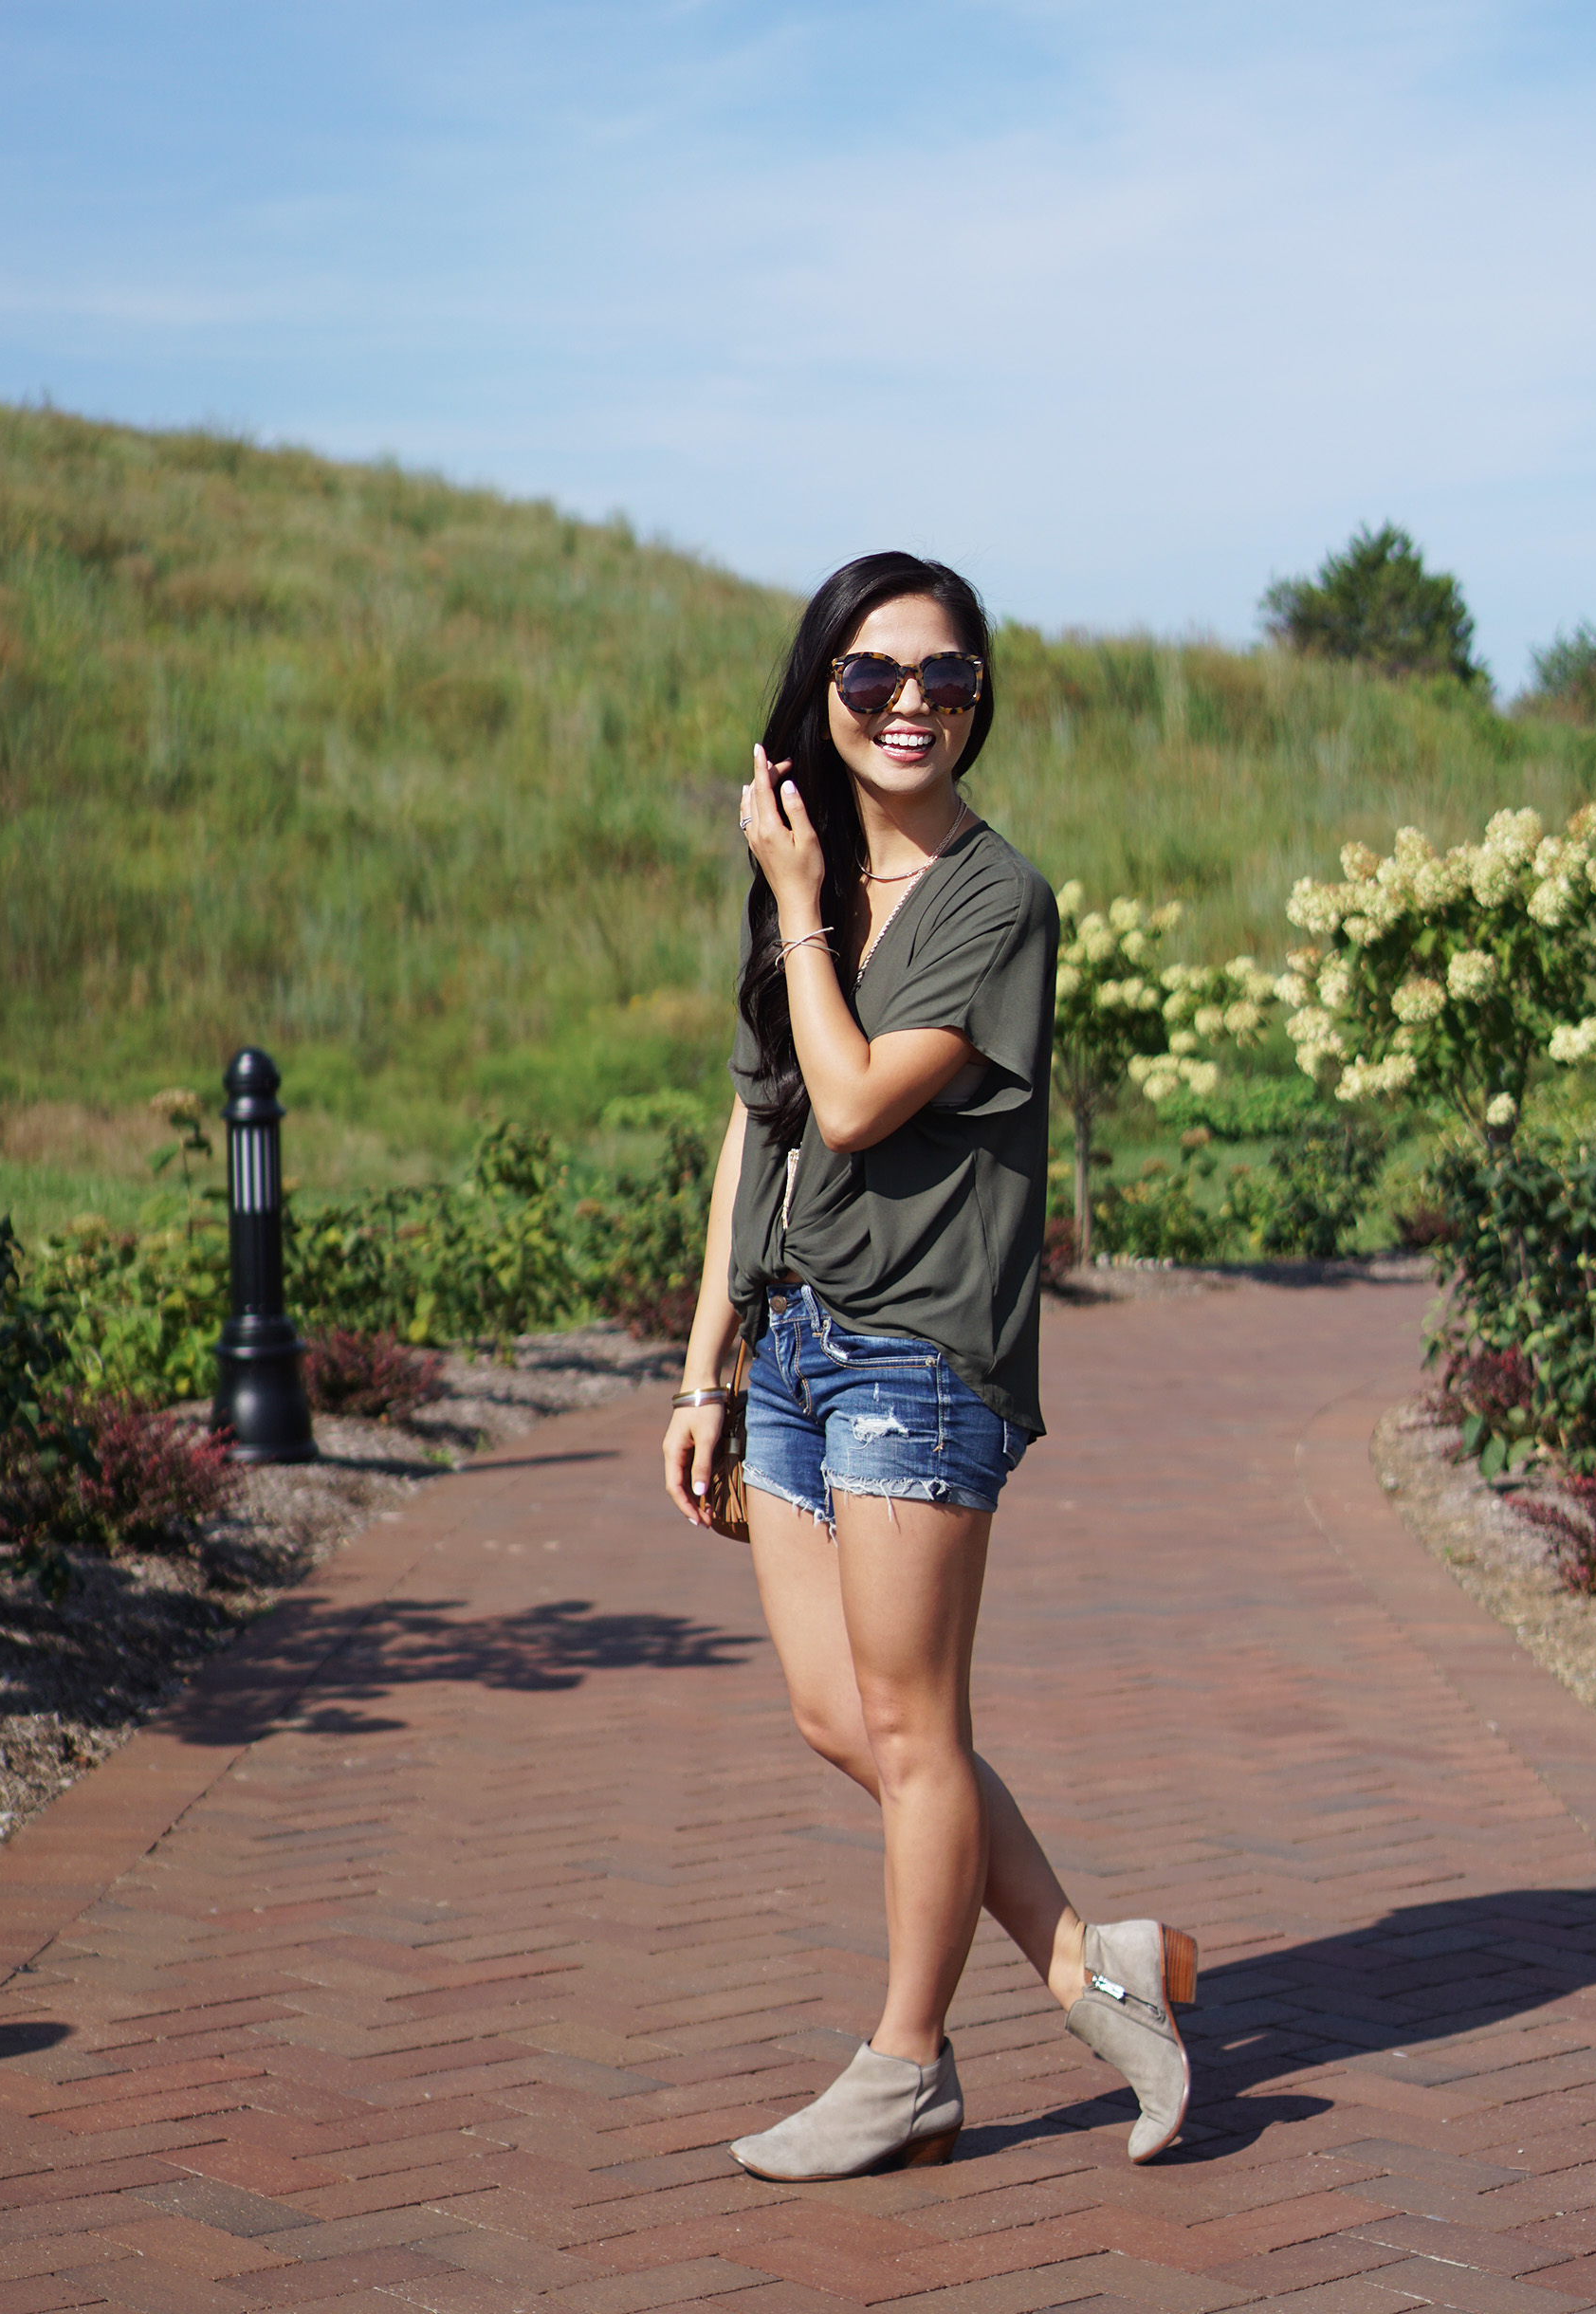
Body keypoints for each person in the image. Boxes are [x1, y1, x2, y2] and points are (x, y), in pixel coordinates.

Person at [662, 552, 1196, 2182]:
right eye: (873, 675)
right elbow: (756, 1121)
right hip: (792, 1349)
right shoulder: (808, 884)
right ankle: (1097, 1966)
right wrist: (704, 1366)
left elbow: (851, 1103)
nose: (912, 704)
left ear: (978, 701)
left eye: (946, 676)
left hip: (915, 1352)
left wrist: (799, 907)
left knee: (914, 1725)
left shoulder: (993, 899)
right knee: (850, 1718)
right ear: (821, 694)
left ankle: (907, 2068)